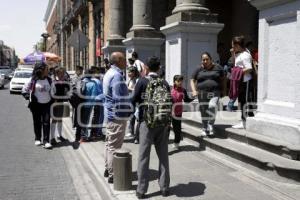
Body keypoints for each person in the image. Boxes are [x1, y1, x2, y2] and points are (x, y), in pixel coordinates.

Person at [132, 56, 171, 199]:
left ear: (146, 68)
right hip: (162, 123)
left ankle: (141, 190)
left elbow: (134, 99)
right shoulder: (165, 83)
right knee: (163, 156)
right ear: (159, 68)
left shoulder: (142, 81)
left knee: (143, 157)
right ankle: (165, 188)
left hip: (146, 123)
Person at [103, 52, 130, 184]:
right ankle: (113, 173)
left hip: (110, 114)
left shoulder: (109, 73)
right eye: (124, 59)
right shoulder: (117, 75)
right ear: (119, 60)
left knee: (109, 144)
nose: (126, 61)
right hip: (117, 116)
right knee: (114, 146)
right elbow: (119, 99)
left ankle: (108, 169)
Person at [190, 52, 225, 136]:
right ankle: (205, 127)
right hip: (202, 93)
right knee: (203, 111)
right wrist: (194, 90)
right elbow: (192, 80)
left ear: (210, 59)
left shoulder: (218, 67)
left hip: (215, 92)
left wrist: (224, 90)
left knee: (212, 106)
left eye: (207, 59)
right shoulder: (198, 69)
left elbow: (223, 78)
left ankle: (210, 124)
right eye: (203, 60)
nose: (205, 61)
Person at [22, 63, 53, 149]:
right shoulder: (32, 80)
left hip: (47, 104)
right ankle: (37, 139)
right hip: (36, 105)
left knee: (46, 122)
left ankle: (46, 141)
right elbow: (24, 90)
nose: (48, 71)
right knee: (37, 122)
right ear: (41, 70)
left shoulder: (49, 80)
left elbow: (53, 91)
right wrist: (30, 97)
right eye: (46, 69)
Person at [231, 36, 255, 129]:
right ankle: (245, 120)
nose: (232, 46)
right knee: (241, 101)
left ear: (237, 45)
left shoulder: (245, 55)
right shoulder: (238, 54)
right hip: (240, 81)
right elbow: (235, 64)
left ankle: (245, 121)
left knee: (245, 101)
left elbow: (249, 68)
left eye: (233, 45)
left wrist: (238, 73)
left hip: (246, 81)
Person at [171, 75, 194, 150]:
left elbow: (186, 100)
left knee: (177, 128)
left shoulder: (183, 90)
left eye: (181, 81)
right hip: (169, 112)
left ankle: (176, 143)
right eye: (178, 81)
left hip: (178, 112)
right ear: (174, 81)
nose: (180, 82)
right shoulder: (170, 89)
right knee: (167, 129)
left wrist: (193, 98)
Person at [50, 67, 70, 146]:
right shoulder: (54, 81)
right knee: (54, 119)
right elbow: (52, 92)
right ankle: (52, 138)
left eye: (63, 73)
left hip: (61, 102)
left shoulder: (64, 81)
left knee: (60, 119)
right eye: (61, 73)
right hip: (55, 102)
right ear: (57, 73)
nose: (63, 74)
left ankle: (59, 135)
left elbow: (67, 90)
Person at [90, 66, 105, 141]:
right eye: (97, 72)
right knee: (97, 118)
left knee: (95, 117)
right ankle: (96, 133)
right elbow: (100, 93)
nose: (99, 74)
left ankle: (95, 133)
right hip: (98, 101)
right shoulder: (97, 81)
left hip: (94, 101)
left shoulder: (92, 80)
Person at [125, 66, 139, 142]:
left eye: (130, 72)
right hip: (130, 99)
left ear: (134, 72)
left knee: (134, 116)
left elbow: (136, 90)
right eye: (128, 72)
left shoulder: (136, 80)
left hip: (134, 100)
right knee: (131, 116)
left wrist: (128, 89)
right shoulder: (130, 79)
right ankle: (131, 131)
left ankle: (134, 133)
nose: (129, 73)